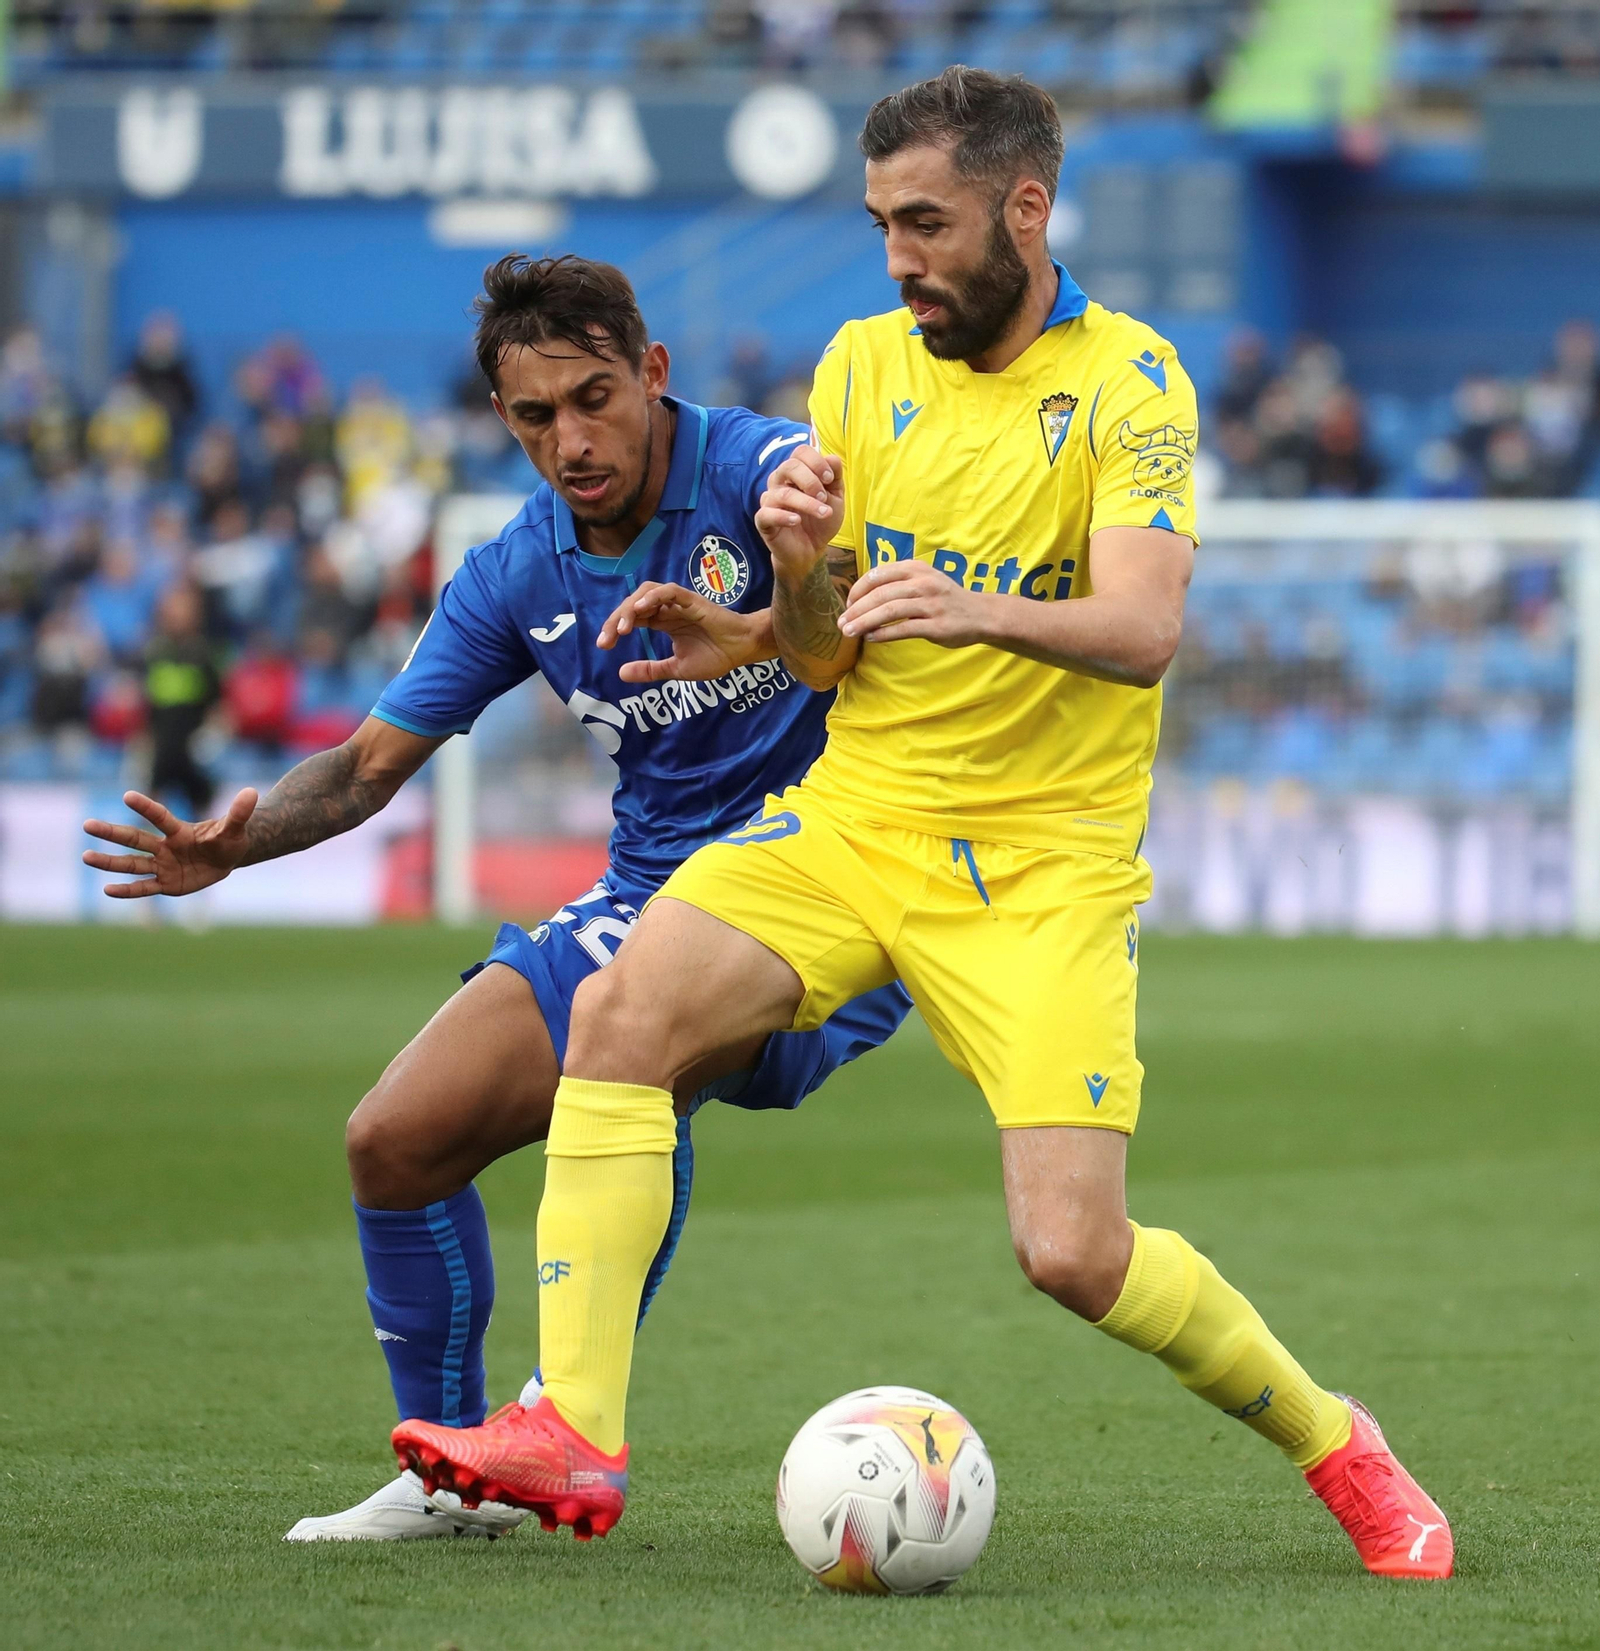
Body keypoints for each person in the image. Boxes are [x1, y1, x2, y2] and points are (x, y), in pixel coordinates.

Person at [396, 69, 1454, 1582]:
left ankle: (1337, 1444)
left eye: (929, 222)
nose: (900, 255)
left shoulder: (1134, 382)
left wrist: (963, 607)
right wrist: (776, 594)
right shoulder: (861, 365)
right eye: (884, 222)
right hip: (859, 818)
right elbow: (829, 650)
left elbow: (1147, 628)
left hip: (1043, 864)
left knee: (1073, 1253)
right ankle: (573, 1422)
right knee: (619, 1015)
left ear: (1027, 208)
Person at [82, 253, 911, 1542]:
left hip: (832, 884)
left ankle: (564, 1420)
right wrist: (234, 846)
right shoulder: (516, 574)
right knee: (392, 1141)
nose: (571, 442)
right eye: (536, 417)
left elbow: (832, 531)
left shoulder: (753, 470)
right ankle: (452, 1478)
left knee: (625, 1049)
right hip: (650, 894)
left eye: (595, 399)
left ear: (653, 375)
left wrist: (813, 514)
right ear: (502, 417)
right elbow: (365, 768)